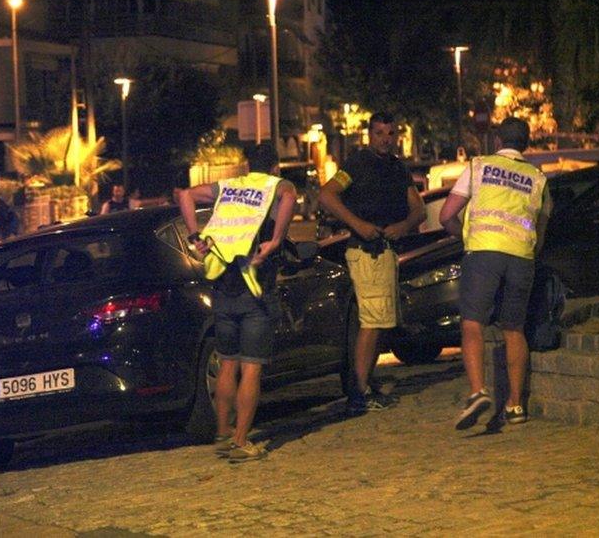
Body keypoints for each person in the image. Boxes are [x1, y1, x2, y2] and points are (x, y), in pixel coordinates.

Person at [178, 144, 297, 462]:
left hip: (222, 288)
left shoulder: (229, 187)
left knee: (227, 362)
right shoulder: (276, 186)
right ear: (274, 168)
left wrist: (194, 235)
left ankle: (222, 432)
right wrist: (276, 239)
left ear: (247, 167)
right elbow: (289, 196)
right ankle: (241, 441)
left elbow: (185, 195)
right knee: (251, 368)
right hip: (255, 288)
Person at [439, 117, 552, 429]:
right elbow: (540, 233)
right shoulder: (537, 178)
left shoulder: (479, 167)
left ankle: (478, 392)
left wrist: (465, 235)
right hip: (521, 257)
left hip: (484, 253)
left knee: (472, 324)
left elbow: (447, 214)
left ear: (498, 141)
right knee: (514, 329)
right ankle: (516, 405)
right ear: (526, 144)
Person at [317, 112, 426, 416]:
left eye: (390, 133)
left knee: (381, 322)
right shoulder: (357, 164)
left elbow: (419, 210)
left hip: (387, 249)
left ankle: (364, 385)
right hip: (367, 251)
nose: (385, 139)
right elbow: (326, 194)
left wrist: (403, 226)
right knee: (373, 322)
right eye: (379, 133)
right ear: (369, 135)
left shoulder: (397, 168)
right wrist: (359, 224)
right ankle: (358, 392)